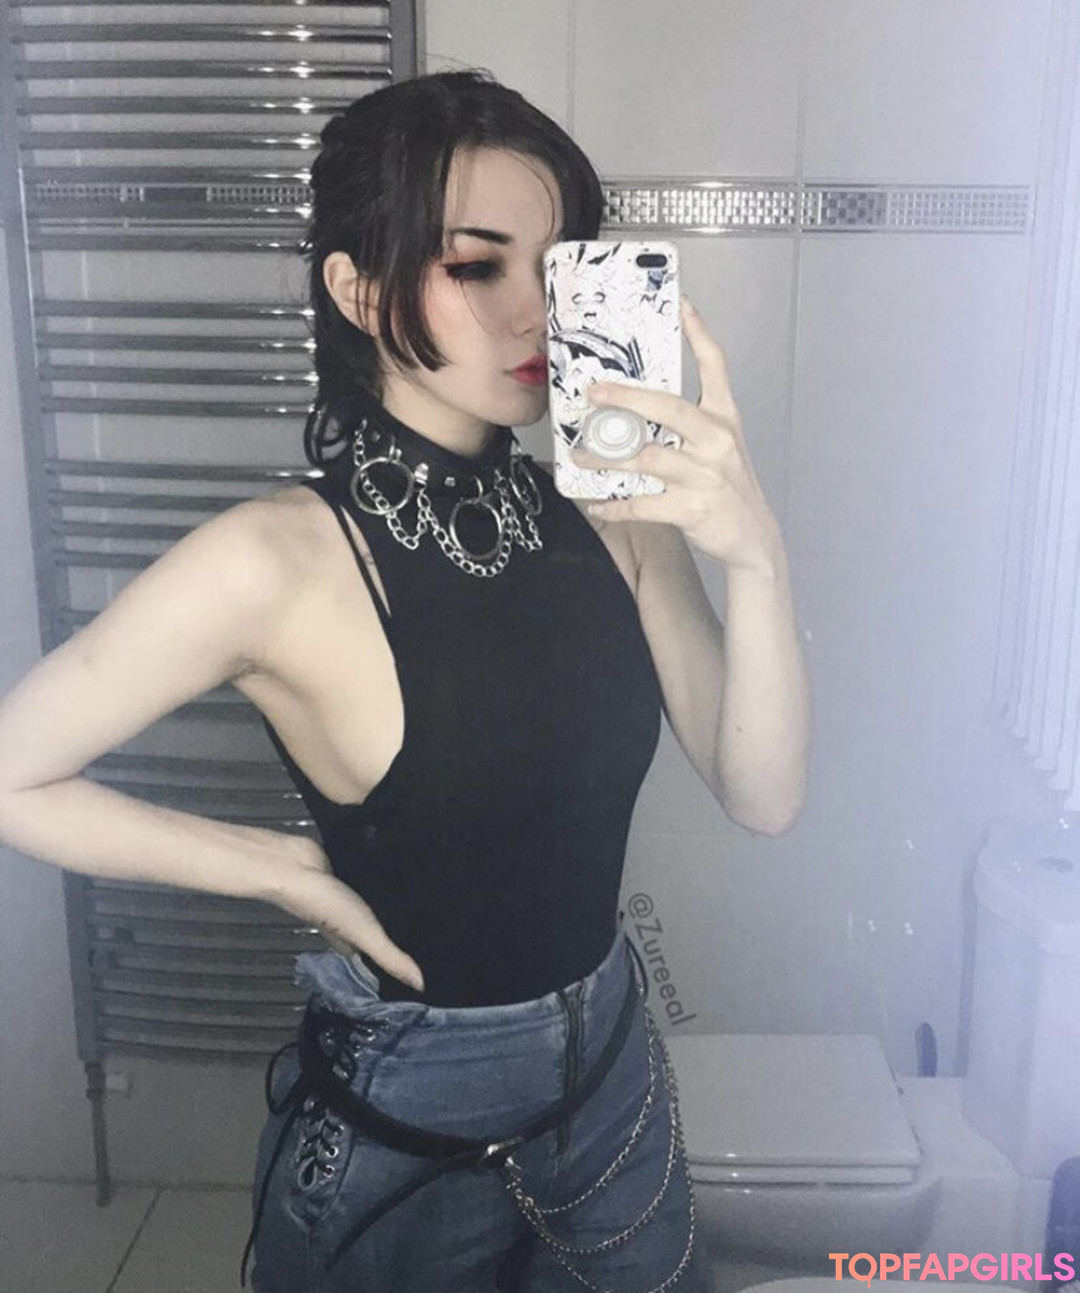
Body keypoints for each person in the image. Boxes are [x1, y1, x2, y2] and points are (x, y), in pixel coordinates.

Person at [0, 70, 809, 1291]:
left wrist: (756, 556)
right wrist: (272, 868)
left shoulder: (616, 518)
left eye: (559, 265)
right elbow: (15, 771)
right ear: (360, 290)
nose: (533, 312)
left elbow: (765, 794)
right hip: (407, 1117)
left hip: (613, 1075)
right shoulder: (273, 560)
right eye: (477, 266)